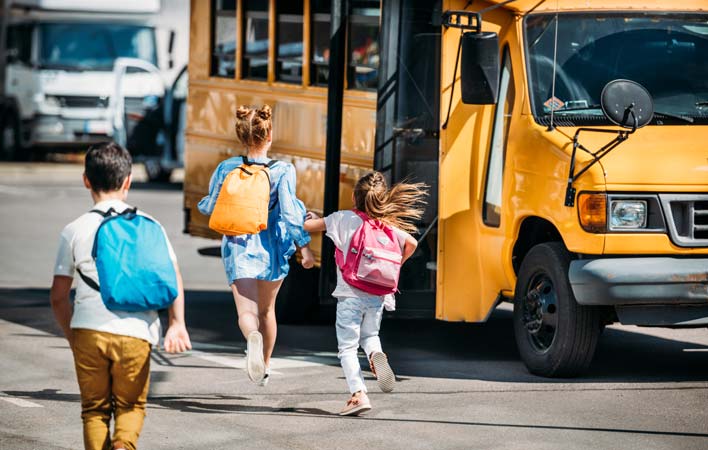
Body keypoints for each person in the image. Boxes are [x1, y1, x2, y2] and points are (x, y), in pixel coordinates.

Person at [49, 142, 192, 450]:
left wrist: (73, 334)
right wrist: (177, 322)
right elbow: (173, 277)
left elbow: (59, 296)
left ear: (86, 180)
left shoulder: (74, 229)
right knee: (130, 407)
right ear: (128, 181)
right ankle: (123, 446)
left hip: (88, 330)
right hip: (136, 333)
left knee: (94, 411)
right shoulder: (150, 225)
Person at [198, 104, 314, 386]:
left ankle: (251, 336)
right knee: (267, 312)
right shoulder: (283, 171)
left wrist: (204, 204)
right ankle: (264, 364)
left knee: (247, 314)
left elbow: (209, 206)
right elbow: (289, 213)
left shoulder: (227, 167)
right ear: (269, 134)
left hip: (238, 246)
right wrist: (305, 246)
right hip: (272, 248)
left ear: (241, 136)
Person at [304, 171, 426, 416]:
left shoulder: (343, 219)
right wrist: (395, 265)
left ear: (353, 197)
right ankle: (375, 354)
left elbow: (308, 226)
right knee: (370, 335)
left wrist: (311, 217)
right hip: (377, 294)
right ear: (382, 200)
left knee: (347, 348)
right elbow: (412, 243)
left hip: (350, 293)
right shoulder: (388, 226)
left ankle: (358, 394)